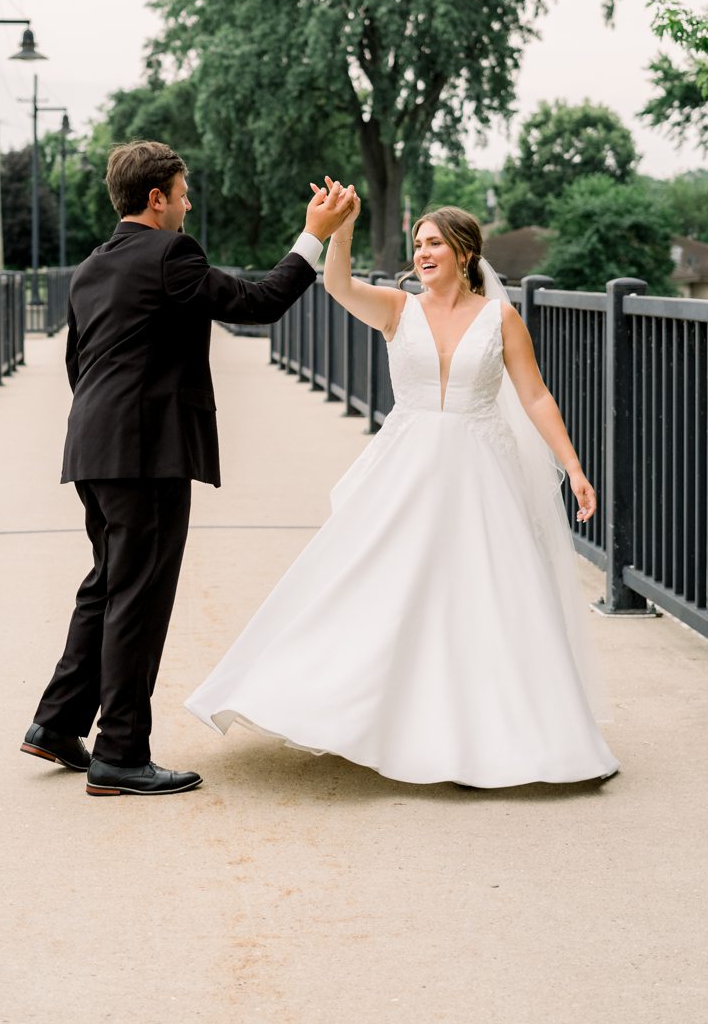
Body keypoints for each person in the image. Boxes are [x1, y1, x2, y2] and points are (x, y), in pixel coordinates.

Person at [185, 193, 618, 788]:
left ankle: (494, 732)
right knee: (380, 586)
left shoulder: (498, 319)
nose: (423, 252)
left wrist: (572, 467)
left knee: (483, 598)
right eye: (418, 244)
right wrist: (343, 230)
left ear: (465, 253)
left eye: (434, 242)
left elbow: (535, 396)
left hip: (480, 472)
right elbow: (336, 285)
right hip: (407, 468)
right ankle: (358, 710)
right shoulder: (397, 308)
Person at [21, 141, 354, 796]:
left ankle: (57, 721)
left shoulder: (90, 267)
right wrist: (312, 237)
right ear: (157, 198)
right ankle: (119, 751)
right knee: (138, 598)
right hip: (145, 452)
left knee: (108, 583)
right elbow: (256, 303)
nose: (188, 202)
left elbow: (77, 363)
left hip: (92, 446)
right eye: (183, 191)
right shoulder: (173, 254)